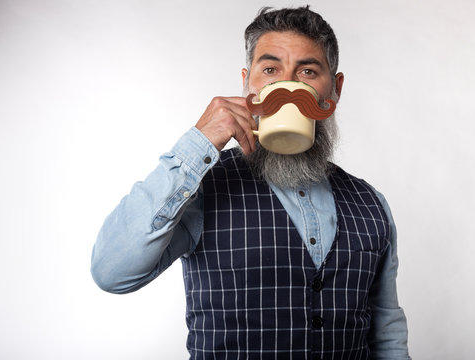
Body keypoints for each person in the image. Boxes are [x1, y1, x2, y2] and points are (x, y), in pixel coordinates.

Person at [91, 6, 411, 359]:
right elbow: (112, 273)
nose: (287, 88)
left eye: (307, 71)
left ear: (332, 91)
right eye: (270, 70)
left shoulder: (371, 203)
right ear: (249, 84)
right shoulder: (200, 188)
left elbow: (386, 329)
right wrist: (199, 143)